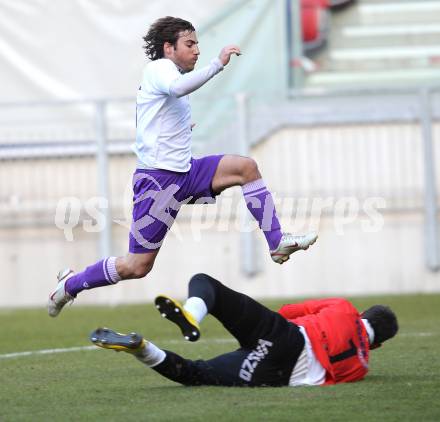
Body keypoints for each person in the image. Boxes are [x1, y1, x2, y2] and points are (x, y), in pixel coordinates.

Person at [48, 16, 317, 317]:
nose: (197, 50)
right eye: (189, 44)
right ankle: (71, 284)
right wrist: (217, 64)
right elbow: (177, 89)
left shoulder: (163, 75)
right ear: (168, 48)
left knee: (246, 168)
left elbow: (150, 119)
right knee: (137, 266)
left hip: (185, 173)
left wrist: (178, 129)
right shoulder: (159, 68)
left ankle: (277, 242)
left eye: (197, 44)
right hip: (159, 183)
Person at [90, 273, 398, 387]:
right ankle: (142, 348)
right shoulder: (361, 366)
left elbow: (289, 313)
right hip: (280, 373)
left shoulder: (344, 308)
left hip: (282, 336)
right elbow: (331, 378)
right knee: (196, 374)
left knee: (206, 283)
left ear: (362, 313)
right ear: (377, 346)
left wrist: (256, 327)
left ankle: (193, 314)